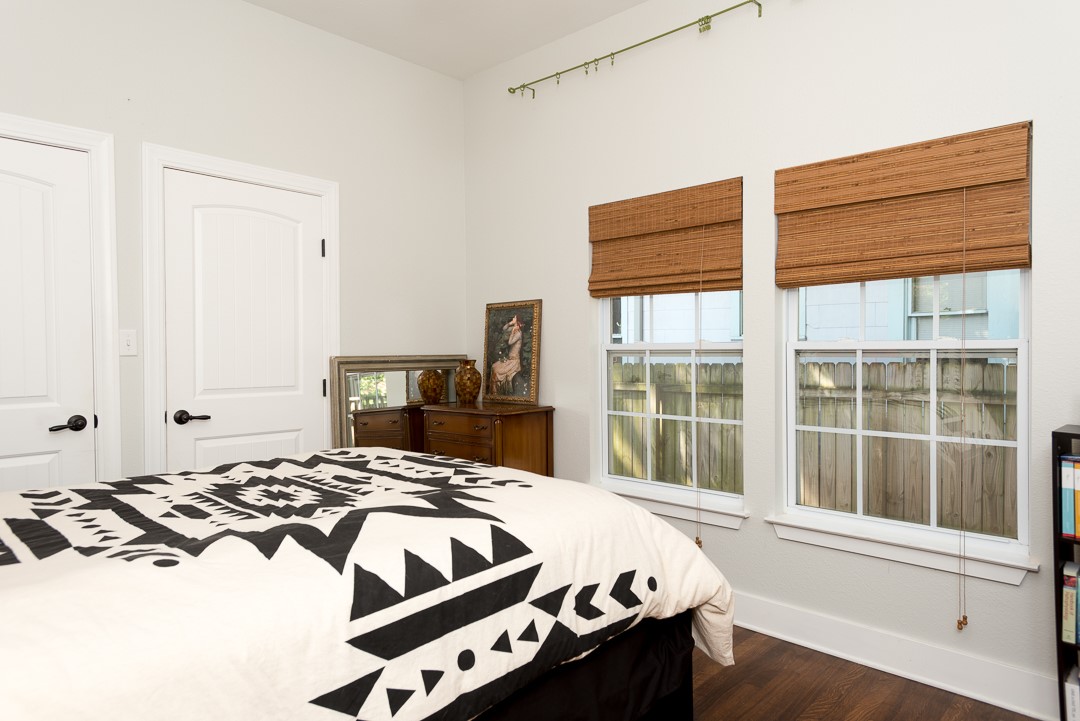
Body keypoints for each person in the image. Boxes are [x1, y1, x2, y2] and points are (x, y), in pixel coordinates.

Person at [489, 315, 524, 395]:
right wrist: (510, 323)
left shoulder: (518, 333)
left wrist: (512, 331)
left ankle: (498, 393)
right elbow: (504, 329)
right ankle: (494, 393)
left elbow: (510, 342)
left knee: (497, 370)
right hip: (509, 359)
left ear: (517, 320)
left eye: (514, 318)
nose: (513, 318)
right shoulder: (514, 329)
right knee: (494, 366)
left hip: (514, 361)